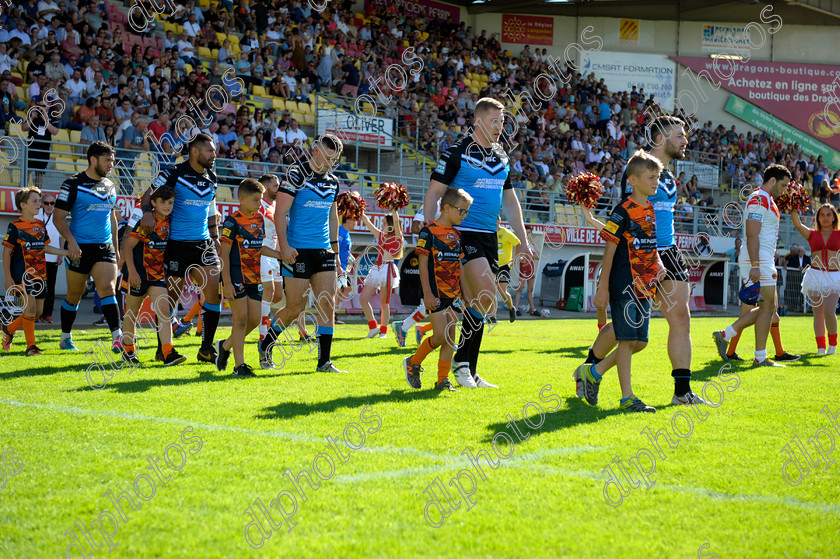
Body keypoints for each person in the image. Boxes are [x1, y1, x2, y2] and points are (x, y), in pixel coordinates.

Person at [590, 115, 703, 405]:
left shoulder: (668, 175)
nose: (685, 140)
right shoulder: (639, 170)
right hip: (639, 252)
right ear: (661, 138)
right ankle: (589, 368)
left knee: (681, 318)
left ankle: (682, 392)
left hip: (670, 250)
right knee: (626, 327)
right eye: (679, 135)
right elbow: (632, 219)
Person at [424, 97, 532, 389]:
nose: (500, 127)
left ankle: (467, 369)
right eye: (494, 121)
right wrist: (432, 229)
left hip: (489, 236)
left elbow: (510, 200)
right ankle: (461, 365)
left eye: (502, 121)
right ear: (478, 121)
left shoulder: (501, 156)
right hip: (463, 234)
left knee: (481, 303)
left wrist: (523, 240)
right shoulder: (456, 153)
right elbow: (434, 193)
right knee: (486, 294)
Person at [576, 151, 666, 413]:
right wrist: (602, 287)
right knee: (627, 341)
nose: (656, 181)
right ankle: (627, 398)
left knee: (640, 343)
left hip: (644, 286)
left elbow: (649, 247)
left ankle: (594, 371)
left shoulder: (649, 208)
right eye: (651, 177)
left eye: (658, 177)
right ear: (633, 181)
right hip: (624, 283)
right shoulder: (622, 210)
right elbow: (610, 248)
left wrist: (656, 274)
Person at [259, 134, 346, 373]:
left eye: (335, 159)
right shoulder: (296, 174)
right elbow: (280, 213)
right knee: (295, 308)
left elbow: (333, 217)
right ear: (315, 150)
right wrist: (285, 247)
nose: (331, 162)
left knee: (327, 305)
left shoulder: (333, 181)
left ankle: (324, 362)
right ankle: (266, 344)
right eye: (328, 157)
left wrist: (336, 254)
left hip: (324, 251)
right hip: (298, 252)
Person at [137, 133, 223, 364]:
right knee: (170, 298)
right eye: (210, 150)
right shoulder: (173, 173)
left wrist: (215, 237)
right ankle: (163, 348)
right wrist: (147, 213)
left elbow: (211, 211)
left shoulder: (213, 177)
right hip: (176, 244)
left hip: (204, 244)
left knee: (214, 292)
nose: (214, 154)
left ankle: (206, 349)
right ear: (194, 151)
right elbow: (147, 195)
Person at [713, 165, 795, 367]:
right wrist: (756, 265)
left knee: (768, 307)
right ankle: (726, 335)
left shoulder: (767, 200)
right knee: (768, 306)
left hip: (761, 258)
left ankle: (759, 356)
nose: (785, 189)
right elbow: (751, 233)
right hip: (758, 260)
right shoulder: (759, 198)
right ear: (773, 180)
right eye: (783, 185)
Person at [53, 142, 122, 353]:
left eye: (112, 160)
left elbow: (112, 218)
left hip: (104, 247)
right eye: (107, 160)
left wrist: (116, 249)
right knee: (75, 293)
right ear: (93, 159)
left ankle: (117, 338)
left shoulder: (111, 185)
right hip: (79, 248)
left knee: (108, 290)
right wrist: (71, 241)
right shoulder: (72, 184)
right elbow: (58, 218)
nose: (111, 164)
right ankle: (65, 337)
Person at [404, 187, 473, 392]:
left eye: (466, 212)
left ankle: (442, 379)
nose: (464, 215)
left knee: (450, 337)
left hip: (454, 294)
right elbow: (423, 264)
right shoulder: (429, 231)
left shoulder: (457, 234)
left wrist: (466, 293)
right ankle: (413, 362)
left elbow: (460, 266)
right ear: (446, 207)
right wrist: (427, 293)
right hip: (435, 292)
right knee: (440, 336)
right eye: (461, 211)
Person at [216, 179, 282, 376]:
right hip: (236, 277)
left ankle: (225, 346)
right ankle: (239, 366)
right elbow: (224, 254)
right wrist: (226, 283)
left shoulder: (259, 220)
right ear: (242, 200)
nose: (260, 204)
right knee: (241, 320)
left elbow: (258, 247)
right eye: (256, 200)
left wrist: (280, 255)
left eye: (261, 200)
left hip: (254, 278)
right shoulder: (232, 221)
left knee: (254, 319)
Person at [120, 184, 186, 366]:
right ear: (154, 203)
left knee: (164, 310)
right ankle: (128, 351)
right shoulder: (147, 222)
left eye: (170, 202)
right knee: (132, 313)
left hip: (157, 275)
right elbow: (128, 246)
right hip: (137, 274)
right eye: (163, 202)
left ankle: (168, 353)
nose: (167, 206)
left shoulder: (171, 221)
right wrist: (132, 272)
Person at [2, 187, 68, 355]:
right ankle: (31, 347)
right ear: (23, 205)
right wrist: (8, 277)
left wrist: (66, 252)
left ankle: (9, 329)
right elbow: (7, 252)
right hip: (22, 275)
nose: (39, 204)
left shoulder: (40, 225)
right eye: (35, 201)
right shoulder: (15, 226)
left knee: (37, 312)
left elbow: (45, 248)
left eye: (39, 200)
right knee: (30, 309)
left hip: (40, 275)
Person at [792, 204, 840, 354]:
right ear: (817, 218)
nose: (825, 218)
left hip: (833, 275)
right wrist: (793, 207)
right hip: (815, 274)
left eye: (828, 215)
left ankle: (832, 345)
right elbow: (798, 225)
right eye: (822, 215)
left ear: (834, 217)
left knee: (829, 311)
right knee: (817, 312)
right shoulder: (812, 234)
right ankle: (820, 347)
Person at [393, 200, 441, 347]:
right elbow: (415, 226)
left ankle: (409, 327)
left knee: (444, 303)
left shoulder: (457, 201)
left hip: (447, 258)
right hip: (434, 258)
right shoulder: (435, 203)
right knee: (439, 302)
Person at [359, 209, 403, 338]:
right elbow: (367, 222)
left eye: (384, 223)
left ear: (391, 225)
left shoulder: (397, 237)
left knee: (384, 303)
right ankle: (373, 327)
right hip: (377, 269)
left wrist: (394, 209)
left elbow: (396, 220)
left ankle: (383, 331)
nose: (382, 225)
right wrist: (358, 209)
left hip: (387, 270)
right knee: (363, 298)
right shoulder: (381, 236)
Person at [36, 191, 61, 323]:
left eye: (52, 203)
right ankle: (37, 314)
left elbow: (61, 236)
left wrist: (60, 253)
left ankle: (47, 314)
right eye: (46, 203)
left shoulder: (58, 216)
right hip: (38, 258)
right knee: (37, 286)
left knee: (50, 287)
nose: (49, 206)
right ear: (41, 204)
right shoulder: (37, 215)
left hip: (52, 258)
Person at [496, 215, 519, 323]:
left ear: (499, 221)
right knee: (489, 291)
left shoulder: (506, 232)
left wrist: (514, 259)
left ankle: (511, 308)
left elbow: (518, 243)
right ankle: (492, 316)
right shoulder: (490, 233)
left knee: (501, 291)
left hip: (504, 266)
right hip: (491, 264)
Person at [513, 225, 540, 316]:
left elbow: (538, 256)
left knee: (530, 289)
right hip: (523, 267)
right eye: (526, 232)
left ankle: (533, 309)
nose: (528, 234)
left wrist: (530, 255)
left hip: (531, 268)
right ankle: (515, 309)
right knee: (520, 288)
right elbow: (518, 255)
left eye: (529, 233)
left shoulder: (532, 244)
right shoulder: (521, 243)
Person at [335, 213, 357, 325]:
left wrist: (351, 256)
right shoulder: (340, 231)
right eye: (354, 220)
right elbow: (336, 248)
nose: (356, 223)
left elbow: (345, 250)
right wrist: (338, 266)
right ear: (348, 220)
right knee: (338, 290)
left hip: (344, 267)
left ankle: (334, 311)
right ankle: (333, 314)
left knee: (347, 288)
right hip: (339, 267)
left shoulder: (347, 233)